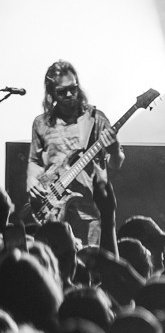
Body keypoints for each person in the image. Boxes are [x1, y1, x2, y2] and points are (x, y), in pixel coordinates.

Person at [26, 61, 123, 244]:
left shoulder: (95, 119)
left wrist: (114, 148)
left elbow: (116, 164)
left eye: (73, 88)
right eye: (62, 91)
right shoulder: (41, 123)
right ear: (51, 93)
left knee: (90, 260)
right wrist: (31, 180)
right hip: (53, 209)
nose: (70, 94)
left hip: (89, 212)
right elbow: (35, 161)